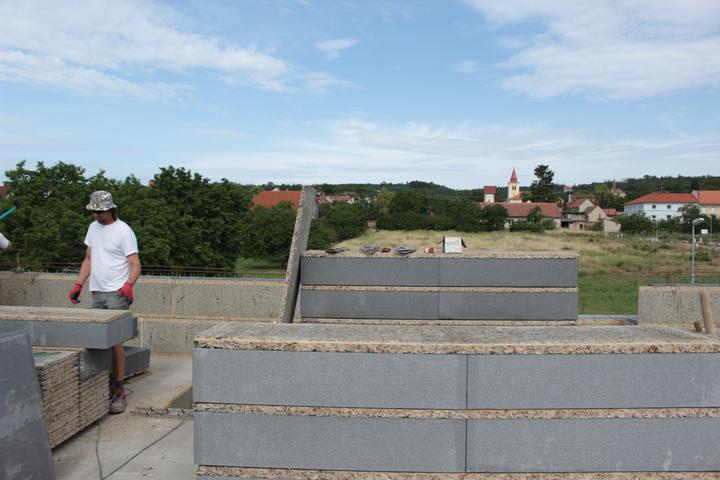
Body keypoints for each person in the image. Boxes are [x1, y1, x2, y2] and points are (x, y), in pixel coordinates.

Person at [69, 191, 141, 414]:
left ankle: (118, 391)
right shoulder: (93, 228)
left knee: (115, 342)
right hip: (97, 292)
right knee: (94, 339)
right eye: (93, 212)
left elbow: (135, 264)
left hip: (116, 293)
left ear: (110, 210)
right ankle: (99, 385)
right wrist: (78, 284)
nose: (95, 215)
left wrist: (128, 284)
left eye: (99, 212)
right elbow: (89, 259)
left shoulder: (123, 231)